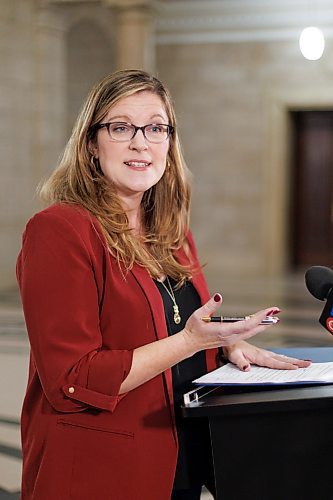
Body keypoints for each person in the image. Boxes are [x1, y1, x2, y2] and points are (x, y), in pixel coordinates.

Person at [16, 69, 310, 500]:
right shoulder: (59, 230)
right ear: (91, 144)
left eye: (156, 127)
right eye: (121, 128)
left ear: (170, 143)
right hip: (101, 472)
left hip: (179, 459)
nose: (141, 142)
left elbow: (167, 326)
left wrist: (225, 344)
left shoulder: (171, 232)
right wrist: (192, 341)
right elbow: (71, 380)